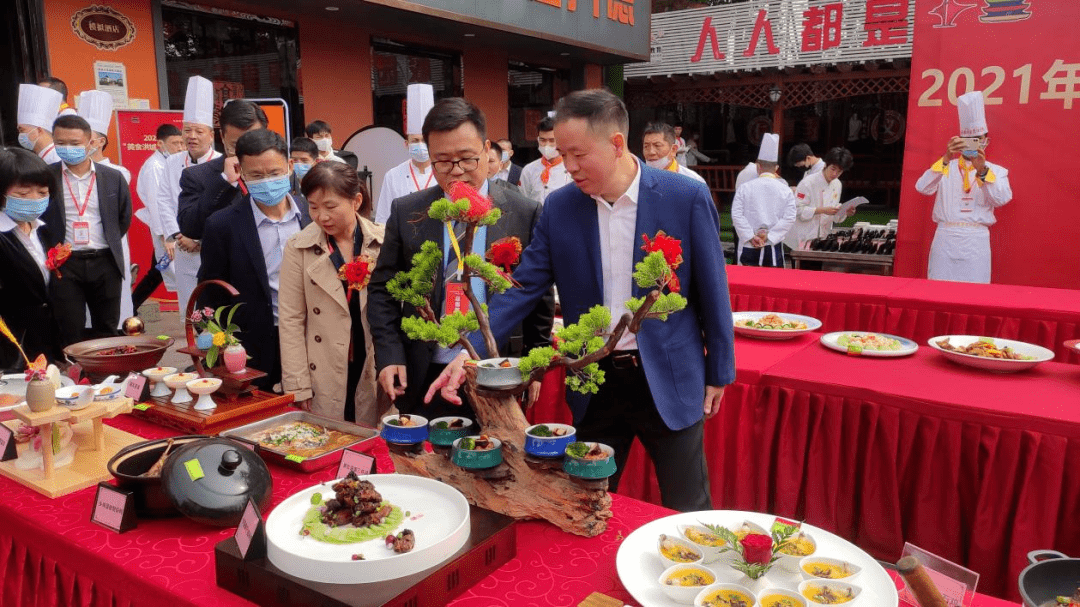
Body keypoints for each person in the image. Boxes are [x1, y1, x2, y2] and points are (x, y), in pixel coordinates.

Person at [427, 89, 735, 513]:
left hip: (669, 372)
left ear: (616, 144)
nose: (566, 166)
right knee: (589, 500)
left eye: (576, 154)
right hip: (594, 377)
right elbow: (524, 287)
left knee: (687, 502)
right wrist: (468, 351)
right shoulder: (561, 207)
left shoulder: (684, 196)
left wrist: (720, 370)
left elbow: (712, 289)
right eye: (559, 151)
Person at [368, 97, 553, 423]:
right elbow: (383, 289)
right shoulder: (406, 211)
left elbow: (536, 296)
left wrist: (534, 365)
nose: (457, 173)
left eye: (467, 160)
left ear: (485, 148)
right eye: (443, 161)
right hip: (422, 368)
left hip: (494, 366)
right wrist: (389, 354)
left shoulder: (523, 212)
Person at [198, 129, 310, 390]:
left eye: (274, 173)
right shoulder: (223, 225)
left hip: (310, 337)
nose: (267, 182)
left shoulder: (311, 214)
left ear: (290, 166)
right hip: (253, 342)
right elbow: (210, 290)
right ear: (241, 172)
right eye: (256, 176)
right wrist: (219, 345)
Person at [279, 162, 385, 424]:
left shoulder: (383, 240)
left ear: (356, 201)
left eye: (330, 206)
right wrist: (298, 384)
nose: (321, 217)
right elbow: (291, 320)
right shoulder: (298, 247)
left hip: (372, 357)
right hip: (324, 363)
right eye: (313, 207)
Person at [40, 114, 131, 345]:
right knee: (70, 329)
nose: (67, 148)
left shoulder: (113, 177)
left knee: (107, 328)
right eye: (60, 143)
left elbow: (123, 218)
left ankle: (106, 378)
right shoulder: (45, 177)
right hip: (64, 265)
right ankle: (75, 377)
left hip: (105, 262)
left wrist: (106, 242)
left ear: (90, 143)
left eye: (74, 143)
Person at [916, 91, 1012, 283]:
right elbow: (922, 187)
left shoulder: (997, 171)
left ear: (986, 140)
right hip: (945, 236)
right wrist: (945, 157)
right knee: (938, 289)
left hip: (976, 239)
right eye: (968, 140)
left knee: (974, 293)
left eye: (978, 139)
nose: (973, 145)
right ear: (958, 141)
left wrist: (982, 170)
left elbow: (1001, 199)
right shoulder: (945, 167)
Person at [157, 76, 220, 320]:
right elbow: (164, 200)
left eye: (198, 131)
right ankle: (197, 353)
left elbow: (221, 207)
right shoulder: (172, 162)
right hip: (184, 248)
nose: (191, 136)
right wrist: (178, 235)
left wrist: (200, 239)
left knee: (214, 306)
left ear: (211, 135)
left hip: (212, 247)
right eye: (187, 130)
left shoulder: (222, 163)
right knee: (190, 305)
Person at [0, 148, 62, 368]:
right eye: (23, 194)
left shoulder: (44, 230)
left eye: (42, 193)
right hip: (10, 349)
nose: (34, 200)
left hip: (45, 344)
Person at [77, 90, 135, 324]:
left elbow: (123, 217)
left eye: (86, 137)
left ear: (100, 141)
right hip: (76, 253)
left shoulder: (119, 173)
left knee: (112, 310)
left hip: (108, 249)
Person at [176, 99, 269, 242]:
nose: (245, 152)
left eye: (253, 143)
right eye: (236, 146)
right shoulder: (197, 176)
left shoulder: (278, 170)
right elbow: (189, 227)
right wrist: (224, 181)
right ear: (223, 137)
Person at [131, 123, 183, 309]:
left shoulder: (170, 163)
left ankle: (129, 309)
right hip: (167, 231)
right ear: (160, 144)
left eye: (181, 143)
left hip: (174, 227)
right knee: (173, 273)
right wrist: (166, 236)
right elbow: (156, 204)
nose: (179, 147)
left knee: (157, 272)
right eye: (175, 143)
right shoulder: (155, 167)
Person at [731, 133, 796, 268]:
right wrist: (770, 236)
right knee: (772, 284)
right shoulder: (785, 189)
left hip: (749, 244)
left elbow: (736, 214)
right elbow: (789, 217)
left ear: (758, 166)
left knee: (746, 285)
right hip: (772, 245)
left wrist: (750, 236)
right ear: (776, 168)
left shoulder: (745, 188)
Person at [375, 84, 436, 224]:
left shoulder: (444, 171)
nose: (420, 144)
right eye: (415, 140)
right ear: (406, 144)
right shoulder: (393, 175)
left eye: (424, 140)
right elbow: (383, 217)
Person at [786, 147, 854, 250]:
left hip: (824, 238)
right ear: (826, 165)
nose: (835, 174)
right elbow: (797, 210)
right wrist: (821, 210)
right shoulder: (808, 182)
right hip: (805, 238)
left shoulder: (837, 184)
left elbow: (834, 217)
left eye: (839, 172)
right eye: (833, 169)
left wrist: (845, 212)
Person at [519, 116, 571, 204]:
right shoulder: (529, 170)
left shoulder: (571, 168)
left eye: (552, 140)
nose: (547, 145)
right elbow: (523, 201)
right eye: (542, 140)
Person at [641, 121, 706, 184]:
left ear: (673, 150)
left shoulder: (694, 181)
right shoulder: (636, 178)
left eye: (657, 146)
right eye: (646, 146)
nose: (651, 152)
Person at [17, 84, 63, 165]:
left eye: (22, 130)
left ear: (39, 130)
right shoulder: (43, 156)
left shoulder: (56, 159)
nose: (20, 135)